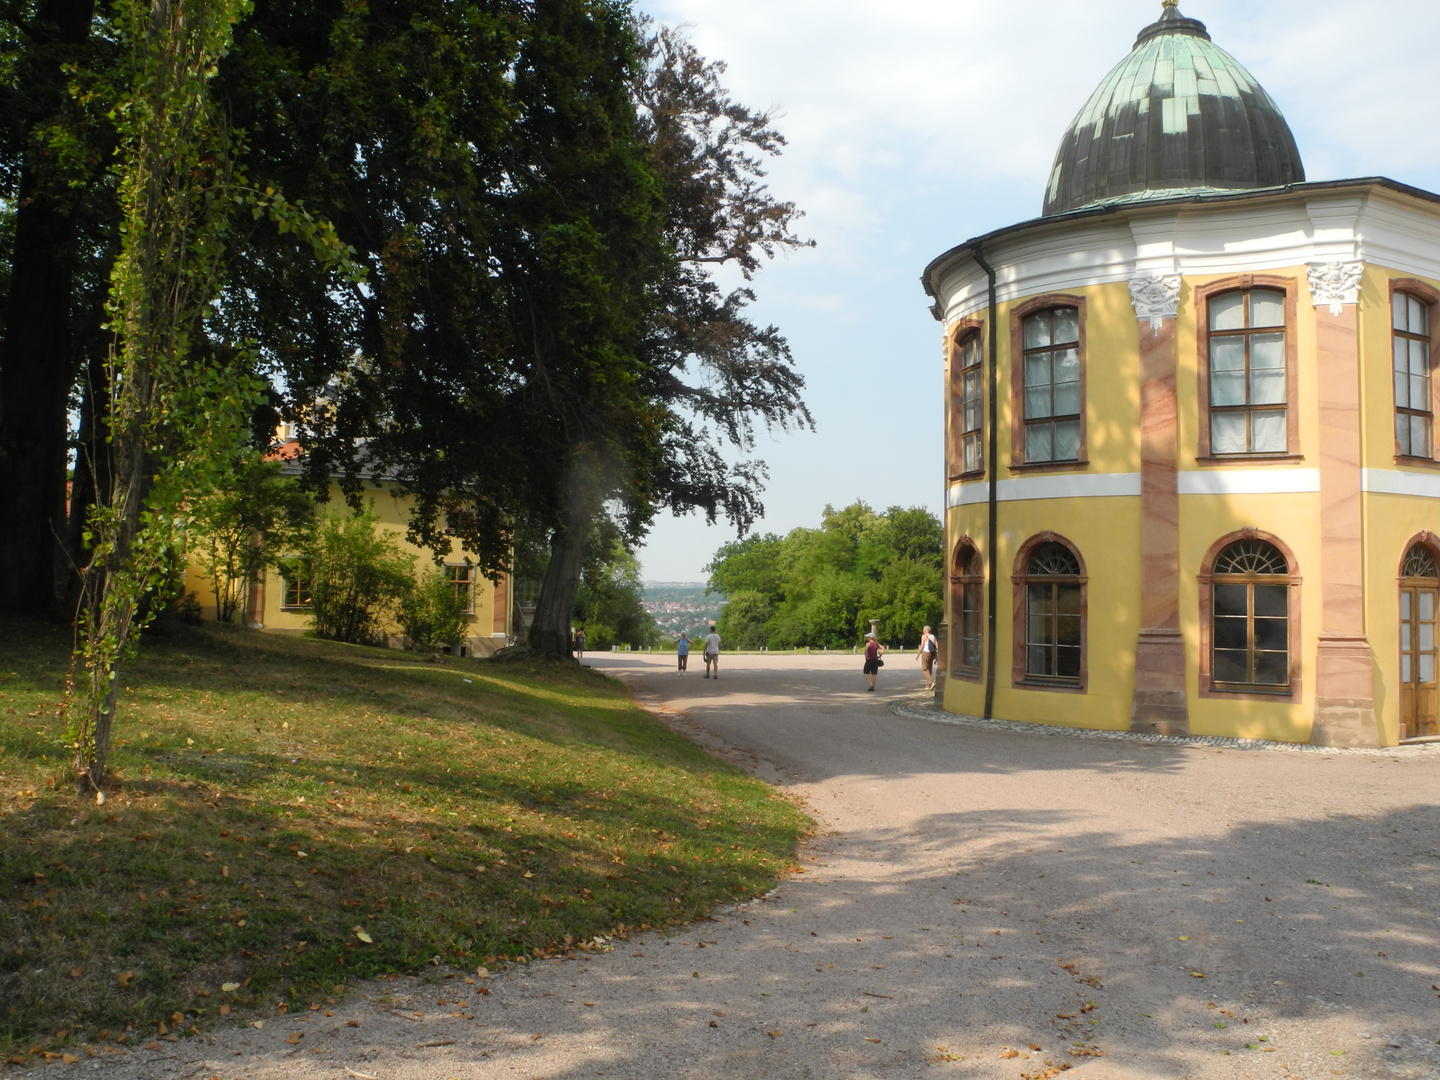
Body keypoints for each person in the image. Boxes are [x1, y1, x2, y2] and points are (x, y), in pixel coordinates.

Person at [917, 624, 938, 692]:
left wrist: (918, 654)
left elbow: (922, 645)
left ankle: (931, 681)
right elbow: (937, 646)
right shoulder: (933, 636)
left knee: (925, 669)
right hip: (932, 654)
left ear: (925, 630)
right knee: (929, 668)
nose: (923, 631)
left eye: (923, 630)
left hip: (926, 653)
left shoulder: (924, 636)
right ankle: (928, 685)